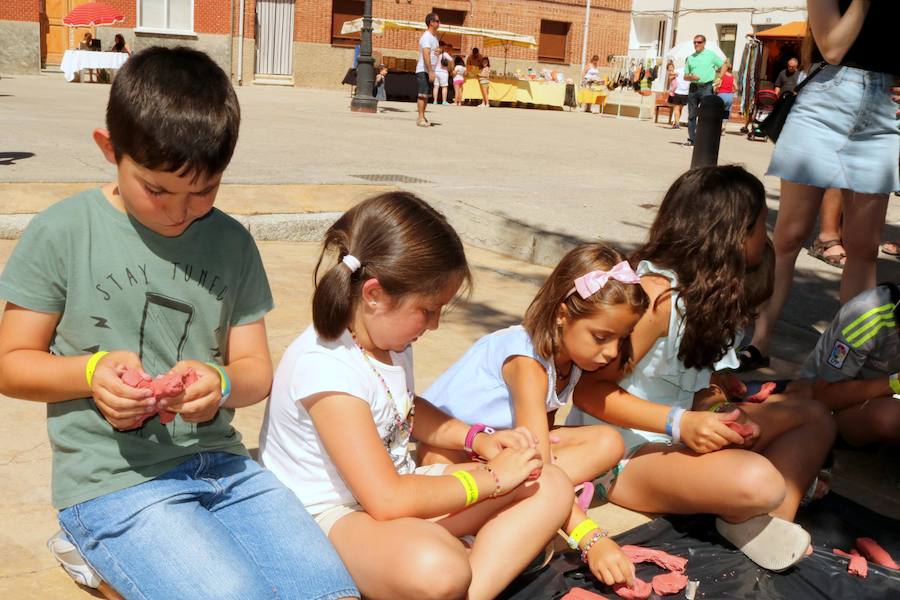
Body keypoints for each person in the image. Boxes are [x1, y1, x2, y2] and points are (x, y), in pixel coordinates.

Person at [0, 47, 358, 599]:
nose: (179, 211)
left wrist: (224, 384)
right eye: (157, 189)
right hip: (113, 481)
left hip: (224, 467)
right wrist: (90, 372)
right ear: (108, 149)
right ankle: (97, 549)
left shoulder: (232, 242)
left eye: (204, 191)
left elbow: (255, 371)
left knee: (329, 592)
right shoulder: (63, 231)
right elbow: (11, 363)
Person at [259, 192, 574, 600]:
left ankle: (459, 584)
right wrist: (492, 479)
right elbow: (387, 499)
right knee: (437, 568)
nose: (436, 324)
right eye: (429, 309)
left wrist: (477, 439)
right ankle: (452, 571)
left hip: (396, 493)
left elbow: (403, 409)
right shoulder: (327, 367)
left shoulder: (388, 338)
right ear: (374, 294)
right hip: (330, 518)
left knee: (548, 483)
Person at [567, 166, 836, 572]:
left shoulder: (707, 297)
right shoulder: (656, 299)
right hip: (624, 458)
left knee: (814, 417)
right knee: (759, 481)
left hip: (677, 438)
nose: (767, 233)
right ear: (734, 232)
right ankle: (753, 510)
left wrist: (716, 412)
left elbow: (697, 383)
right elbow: (589, 391)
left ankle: (763, 525)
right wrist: (680, 423)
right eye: (763, 222)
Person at [421, 243, 650, 589]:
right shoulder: (527, 364)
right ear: (562, 314)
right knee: (541, 483)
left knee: (607, 441)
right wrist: (589, 536)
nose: (612, 352)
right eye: (602, 337)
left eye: (621, 339)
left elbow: (541, 433)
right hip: (447, 453)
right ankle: (488, 525)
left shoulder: (569, 358)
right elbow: (541, 467)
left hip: (500, 450)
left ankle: (511, 512)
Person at [739, 0, 900, 371]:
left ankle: (843, 358)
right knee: (789, 236)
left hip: (883, 110)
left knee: (863, 246)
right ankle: (759, 343)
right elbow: (833, 47)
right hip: (824, 103)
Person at [798, 283, 900, 447]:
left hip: (882, 395)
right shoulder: (869, 316)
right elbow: (824, 396)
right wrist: (896, 382)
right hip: (829, 405)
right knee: (890, 418)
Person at [683, 35, 724, 146]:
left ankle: (704, 140)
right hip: (693, 88)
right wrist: (691, 77)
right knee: (692, 115)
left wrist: (720, 77)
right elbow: (685, 76)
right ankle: (692, 140)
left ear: (704, 43)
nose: (696, 44)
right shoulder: (690, 58)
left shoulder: (710, 55)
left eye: (699, 42)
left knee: (706, 114)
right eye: (695, 42)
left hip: (706, 87)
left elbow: (724, 64)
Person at [415, 12, 440, 127]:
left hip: (430, 70)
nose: (439, 23)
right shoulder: (426, 37)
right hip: (423, 70)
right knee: (422, 95)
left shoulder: (434, 37)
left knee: (426, 96)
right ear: (431, 23)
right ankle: (420, 119)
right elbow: (426, 54)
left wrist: (439, 51)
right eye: (437, 21)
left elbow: (433, 52)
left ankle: (422, 116)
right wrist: (430, 71)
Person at [715, 61, 736, 131]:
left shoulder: (722, 76)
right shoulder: (732, 77)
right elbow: (737, 88)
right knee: (727, 111)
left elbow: (719, 85)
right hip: (730, 96)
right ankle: (724, 126)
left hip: (722, 95)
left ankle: (718, 126)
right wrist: (732, 91)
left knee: (719, 110)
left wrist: (716, 89)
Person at [668, 65, 690, 129]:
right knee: (678, 108)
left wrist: (673, 75)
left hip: (681, 92)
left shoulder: (680, 70)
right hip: (683, 92)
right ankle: (677, 123)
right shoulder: (690, 71)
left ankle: (676, 123)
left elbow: (670, 74)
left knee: (678, 108)